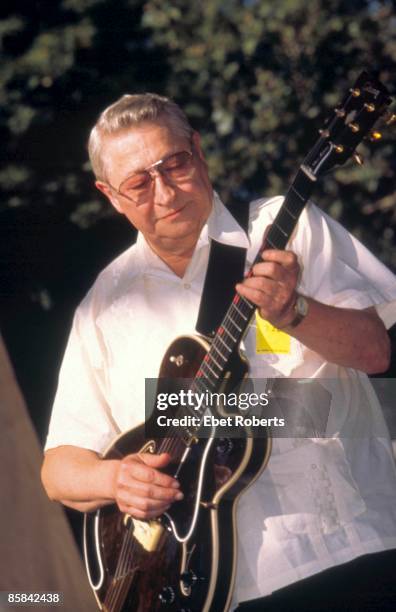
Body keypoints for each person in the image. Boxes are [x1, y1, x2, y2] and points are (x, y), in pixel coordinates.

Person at [41, 93, 396, 610]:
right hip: (206, 590)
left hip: (348, 552)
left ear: (198, 152)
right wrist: (116, 479)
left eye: (174, 164)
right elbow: (58, 467)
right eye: (139, 183)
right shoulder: (103, 304)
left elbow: (376, 351)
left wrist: (294, 311)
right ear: (110, 196)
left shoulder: (283, 229)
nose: (164, 192)